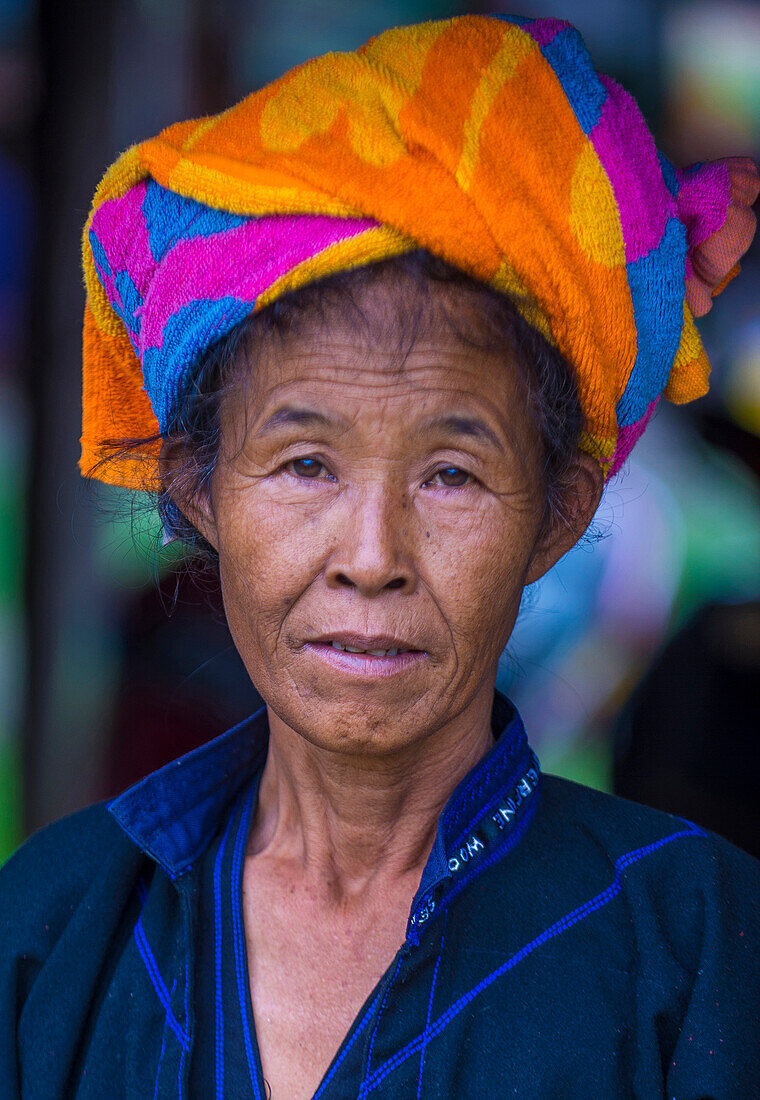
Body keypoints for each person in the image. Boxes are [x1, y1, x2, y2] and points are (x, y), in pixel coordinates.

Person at [2, 14, 759, 1099]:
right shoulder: (50, 931)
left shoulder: (695, 950)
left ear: (556, 508)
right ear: (198, 486)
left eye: (450, 473)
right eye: (305, 462)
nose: (371, 556)